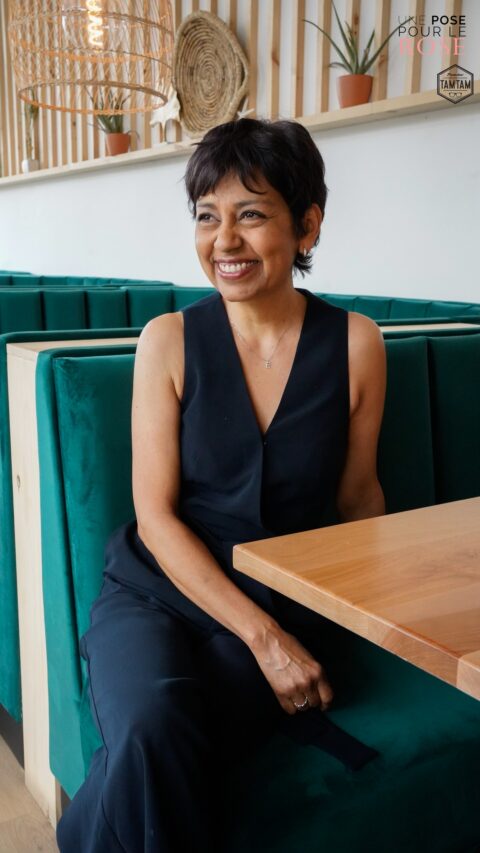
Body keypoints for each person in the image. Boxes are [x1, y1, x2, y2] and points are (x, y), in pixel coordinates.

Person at [57, 117, 386, 853]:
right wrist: (267, 641)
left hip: (280, 596)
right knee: (152, 722)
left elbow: (359, 500)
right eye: (207, 216)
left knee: (167, 739)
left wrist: (373, 623)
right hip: (156, 589)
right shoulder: (168, 340)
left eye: (251, 215)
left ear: (307, 225)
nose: (224, 241)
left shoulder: (356, 344)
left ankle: (78, 834)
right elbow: (155, 516)